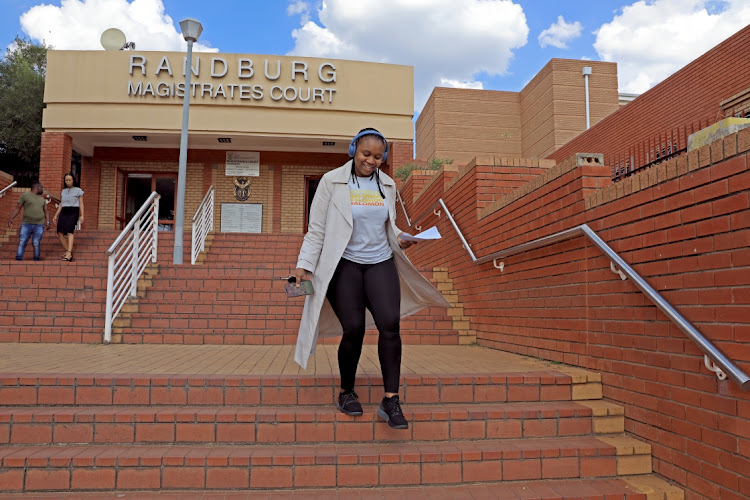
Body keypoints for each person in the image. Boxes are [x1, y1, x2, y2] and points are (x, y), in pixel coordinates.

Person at [293, 128, 451, 429]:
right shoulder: (331, 182)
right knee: (352, 329)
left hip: (380, 262)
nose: (371, 161)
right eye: (366, 154)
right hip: (345, 265)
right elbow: (317, 230)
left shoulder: (387, 184)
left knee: (390, 324)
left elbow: (388, 226)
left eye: (378, 157)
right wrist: (304, 265)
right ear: (354, 150)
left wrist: (402, 238)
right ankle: (347, 392)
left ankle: (391, 400)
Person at [8, 182, 50, 261]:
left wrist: (48, 222)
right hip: (26, 224)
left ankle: (36, 260)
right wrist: (11, 218)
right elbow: (17, 208)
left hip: (39, 225)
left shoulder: (42, 199)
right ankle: (18, 259)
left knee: (36, 243)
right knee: (22, 242)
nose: (42, 190)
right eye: (41, 188)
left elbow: (46, 211)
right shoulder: (24, 196)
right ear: (37, 187)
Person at [52, 173, 84, 262]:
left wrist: (82, 215)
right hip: (64, 211)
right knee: (60, 232)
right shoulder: (63, 191)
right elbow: (61, 204)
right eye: (66, 180)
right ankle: (67, 250)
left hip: (73, 211)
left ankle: (69, 253)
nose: (68, 182)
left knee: (70, 231)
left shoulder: (78, 190)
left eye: (70, 180)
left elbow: (81, 203)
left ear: (73, 180)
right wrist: (56, 214)